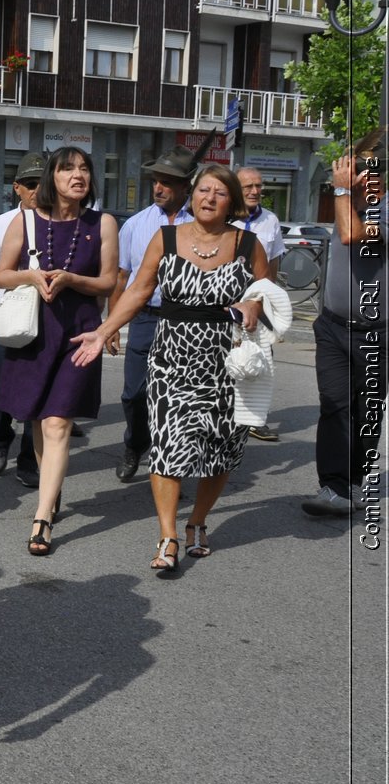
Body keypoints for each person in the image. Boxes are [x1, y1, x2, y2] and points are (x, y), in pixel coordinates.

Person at [74, 165, 266, 569]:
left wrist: (254, 304)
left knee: (221, 449)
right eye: (203, 190)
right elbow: (139, 290)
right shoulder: (166, 238)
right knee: (167, 446)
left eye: (219, 193)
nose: (209, 198)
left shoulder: (249, 245)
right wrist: (103, 329)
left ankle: (197, 521)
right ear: (192, 195)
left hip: (226, 361)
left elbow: (268, 297)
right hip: (171, 358)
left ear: (231, 200)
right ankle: (168, 535)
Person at [0, 148, 119, 555]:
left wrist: (71, 279)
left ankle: (42, 515)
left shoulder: (103, 223)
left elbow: (107, 282)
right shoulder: (25, 220)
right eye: (68, 168)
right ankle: (52, 483)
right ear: (52, 176)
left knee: (58, 423)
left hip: (79, 334)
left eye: (85, 168)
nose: (78, 175)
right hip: (34, 333)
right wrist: (30, 275)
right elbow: (1, 275)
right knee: (36, 418)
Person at [301, 134, 385, 517]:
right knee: (334, 405)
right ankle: (333, 487)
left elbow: (352, 235)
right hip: (333, 327)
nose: (365, 176)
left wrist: (339, 192)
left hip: (376, 332)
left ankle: (355, 479)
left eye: (373, 169)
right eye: (360, 166)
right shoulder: (345, 202)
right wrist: (343, 194)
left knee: (367, 409)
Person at [110, 146, 195, 481]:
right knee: (134, 394)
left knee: (176, 400)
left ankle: (171, 465)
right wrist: (113, 324)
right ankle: (135, 442)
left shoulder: (200, 224)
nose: (158, 188)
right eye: (156, 181)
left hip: (186, 321)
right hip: (145, 317)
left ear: (186, 186)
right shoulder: (135, 224)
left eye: (168, 182)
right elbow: (120, 277)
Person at [0, 153, 44, 484]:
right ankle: (1, 439)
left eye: (43, 184)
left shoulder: (60, 222)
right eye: (31, 184)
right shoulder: (2, 224)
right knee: (2, 386)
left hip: (46, 321)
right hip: (10, 317)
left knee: (38, 390)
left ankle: (29, 457)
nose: (37, 190)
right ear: (17, 188)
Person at [235, 166, 286, 441]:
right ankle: (229, 414)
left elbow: (274, 262)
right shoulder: (223, 217)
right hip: (228, 302)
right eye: (248, 187)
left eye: (259, 186)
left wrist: (271, 302)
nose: (255, 191)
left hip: (259, 302)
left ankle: (256, 419)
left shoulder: (271, 221)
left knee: (261, 362)